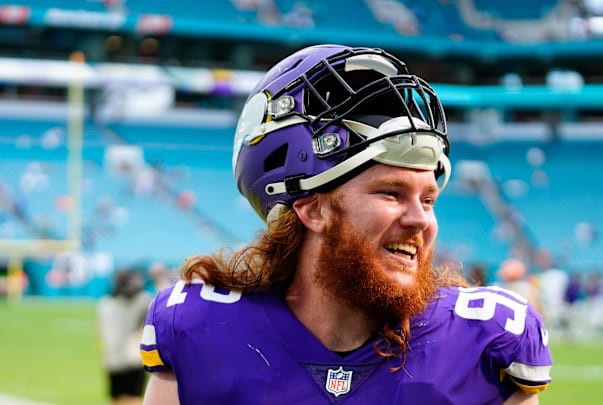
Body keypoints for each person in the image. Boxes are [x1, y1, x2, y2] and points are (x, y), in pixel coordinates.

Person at [139, 44, 552, 405]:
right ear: (312, 209)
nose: (419, 220)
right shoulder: (203, 330)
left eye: (428, 199)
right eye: (390, 193)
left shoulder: (483, 344)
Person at [97, 268, 153, 404]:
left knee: (116, 398)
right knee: (133, 398)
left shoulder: (104, 303)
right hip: (132, 359)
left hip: (112, 359)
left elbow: (99, 334)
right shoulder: (141, 301)